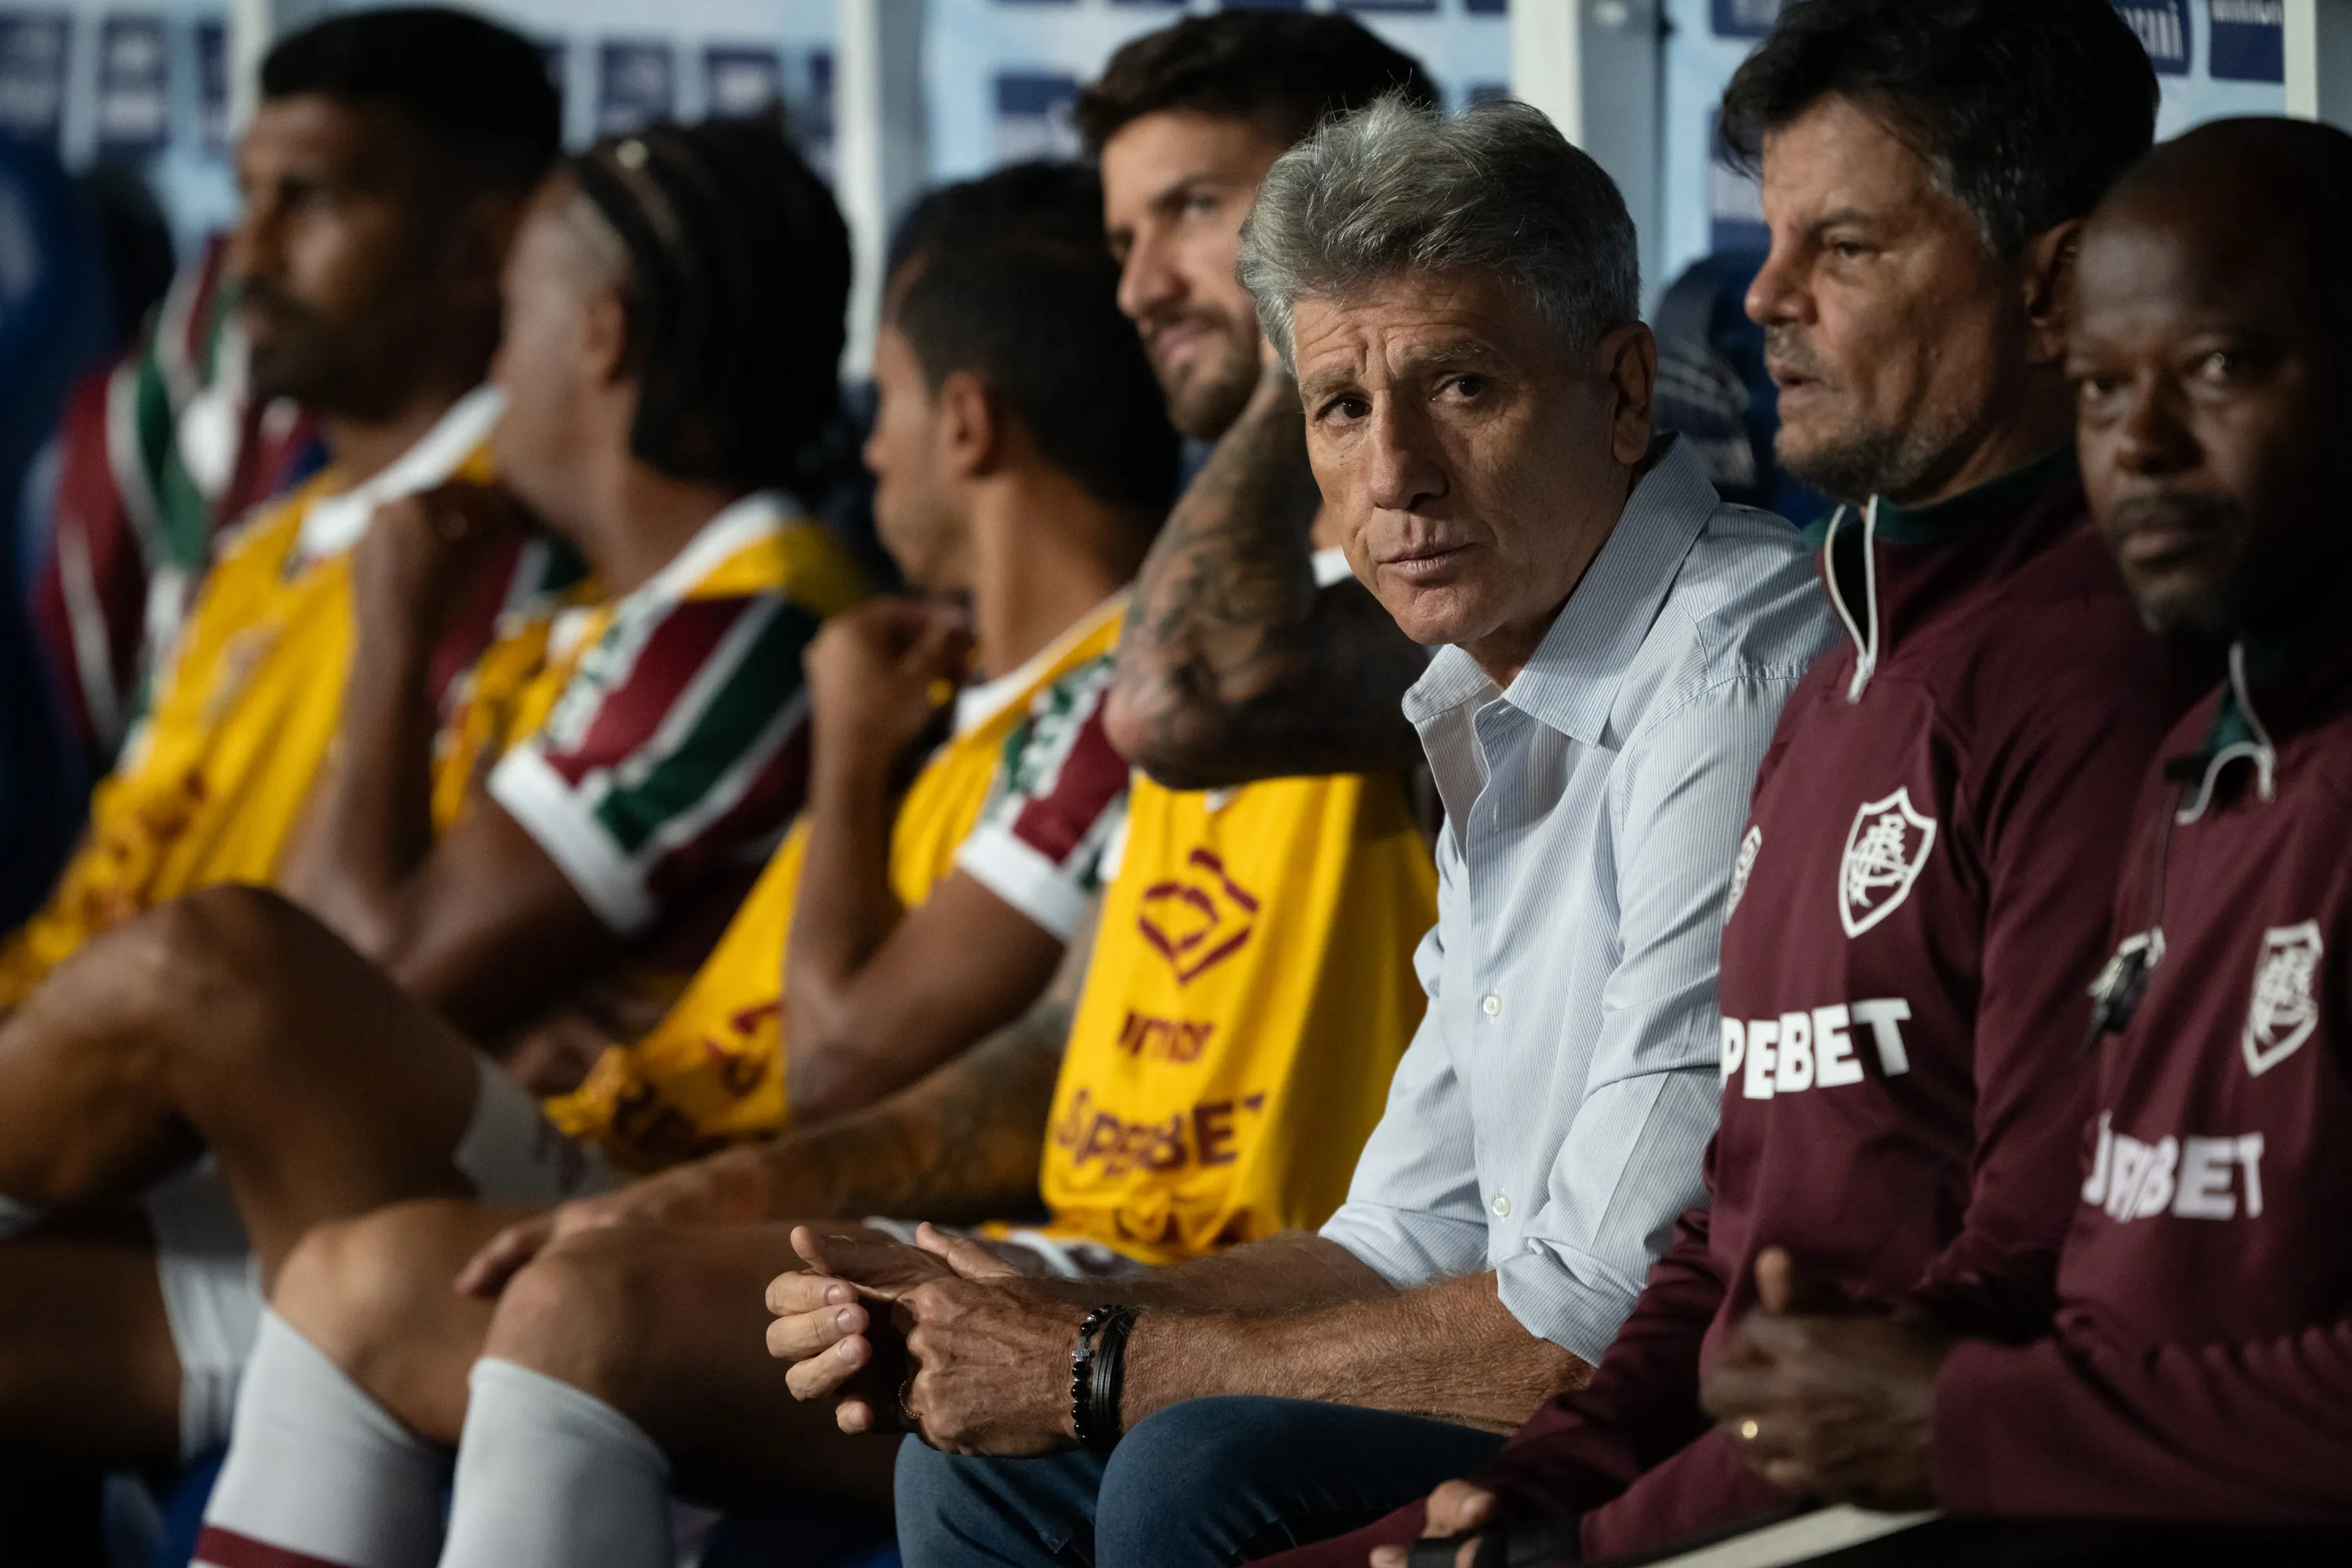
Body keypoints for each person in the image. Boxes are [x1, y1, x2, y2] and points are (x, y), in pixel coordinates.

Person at [793, 94, 1832, 1568]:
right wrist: (1012, 1318)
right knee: (976, 1473)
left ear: (1619, 391)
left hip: (1708, 1432)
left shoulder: (1734, 668)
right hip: (1549, 1386)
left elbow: (1597, 1320)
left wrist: (1097, 1366)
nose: (1393, 473)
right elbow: (1401, 1240)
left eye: (1462, 388)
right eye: (1342, 409)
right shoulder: (1493, 682)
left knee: (1189, 1466)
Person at [1257, 4, 2211, 1565]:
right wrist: (1549, 1482)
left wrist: (1584, 1527)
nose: (1762, 299)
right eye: (1775, 241)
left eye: (1841, 247)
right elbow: (1735, 1224)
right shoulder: (1852, 659)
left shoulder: (2067, 674)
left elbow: (2012, 1287)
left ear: (2052, 286)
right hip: (1711, 1461)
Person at [181, 164, 1174, 1568]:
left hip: (831, 1221)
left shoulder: (1093, 699)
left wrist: (841, 756)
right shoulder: (931, 684)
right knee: (344, 1258)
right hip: (675, 1156)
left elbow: (847, 1058)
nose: (866, 448)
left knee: (228, 998)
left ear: (964, 421)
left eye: (881, 399)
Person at [0, 111, 864, 1473]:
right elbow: (337, 924)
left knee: (204, 968)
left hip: (617, 1219)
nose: (490, 379)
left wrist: (392, 639)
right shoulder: (588, 620)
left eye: (511, 324)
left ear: (597, 340)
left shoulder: (744, 627)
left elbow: (351, 964)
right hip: (433, 1182)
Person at [1696, 115, 2352, 1538]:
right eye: (2107, 391)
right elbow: (2098, 1305)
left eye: (2223, 371)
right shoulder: (2201, 758)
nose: (2148, 446)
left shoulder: (2112, 709)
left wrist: (1955, 1423)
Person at [0, 9, 558, 1013]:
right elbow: (105, 883)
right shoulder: (261, 548)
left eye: (312, 201)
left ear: (484, 250)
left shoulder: (516, 547)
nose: (246, 253)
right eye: (246, 195)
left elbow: (365, 974)